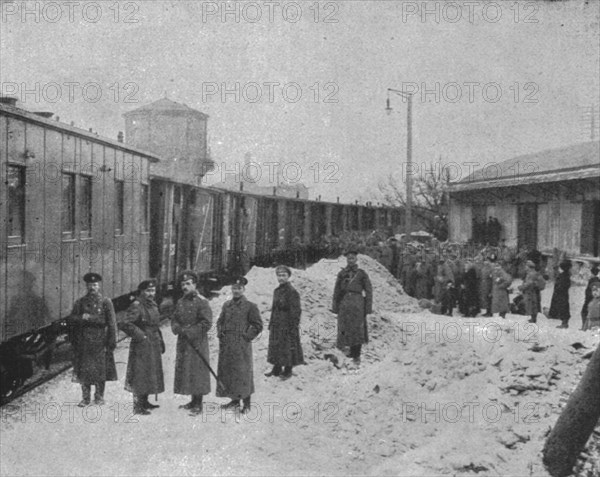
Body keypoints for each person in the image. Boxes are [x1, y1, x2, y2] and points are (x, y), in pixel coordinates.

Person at [67, 272, 117, 407]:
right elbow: (71, 319)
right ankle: (85, 398)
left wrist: (112, 342)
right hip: (84, 342)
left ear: (99, 286)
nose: (92, 287)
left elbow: (111, 323)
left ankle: (99, 397)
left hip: (100, 341)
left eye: (94, 285)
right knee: (85, 370)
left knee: (101, 370)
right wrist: (81, 318)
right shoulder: (80, 302)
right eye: (90, 285)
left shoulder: (106, 302)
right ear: (87, 286)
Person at [217, 277, 263, 413]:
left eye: (239, 288)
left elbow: (257, 325)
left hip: (242, 346)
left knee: (243, 373)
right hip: (227, 345)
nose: (236, 291)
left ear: (244, 289)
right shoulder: (226, 305)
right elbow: (220, 321)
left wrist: (247, 337)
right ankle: (234, 401)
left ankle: (247, 404)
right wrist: (221, 333)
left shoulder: (250, 306)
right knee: (230, 372)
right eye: (234, 288)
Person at [119, 279, 165, 415]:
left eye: (153, 290)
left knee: (150, 372)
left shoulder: (153, 305)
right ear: (142, 292)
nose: (151, 293)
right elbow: (125, 323)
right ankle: (137, 406)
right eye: (148, 291)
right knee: (140, 373)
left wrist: (160, 341)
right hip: (142, 344)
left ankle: (145, 401)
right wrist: (141, 336)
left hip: (153, 342)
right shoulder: (137, 305)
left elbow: (156, 325)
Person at [171, 270, 213, 414]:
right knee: (187, 370)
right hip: (184, 342)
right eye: (183, 284)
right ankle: (192, 401)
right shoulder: (180, 301)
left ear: (195, 285)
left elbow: (206, 323)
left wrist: (190, 332)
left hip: (197, 342)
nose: (185, 287)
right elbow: (174, 318)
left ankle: (198, 404)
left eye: (188, 284)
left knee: (197, 371)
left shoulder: (202, 301)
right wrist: (176, 328)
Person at [332, 250, 373, 366]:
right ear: (346, 259)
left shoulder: (361, 274)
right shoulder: (342, 273)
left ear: (356, 259)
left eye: (352, 258)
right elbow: (337, 290)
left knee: (357, 327)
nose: (350, 260)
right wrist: (335, 306)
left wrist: (368, 307)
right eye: (348, 258)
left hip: (357, 303)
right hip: (344, 302)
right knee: (345, 326)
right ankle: (348, 350)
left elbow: (369, 290)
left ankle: (356, 354)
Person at [266, 266, 305, 380]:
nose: (281, 278)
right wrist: (271, 323)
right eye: (279, 275)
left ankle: (288, 370)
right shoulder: (277, 291)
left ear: (288, 276)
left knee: (287, 346)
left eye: (284, 275)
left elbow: (296, 311)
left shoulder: (292, 292)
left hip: (287, 323)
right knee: (276, 345)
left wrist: (293, 326)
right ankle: (276, 368)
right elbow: (274, 308)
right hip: (277, 322)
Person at [548, 260, 572, 329]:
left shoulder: (563, 276)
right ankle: (564, 322)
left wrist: (557, 290)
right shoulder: (566, 275)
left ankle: (564, 323)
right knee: (563, 307)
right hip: (563, 294)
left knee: (563, 308)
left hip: (560, 294)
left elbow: (561, 286)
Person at [581, 265, 600, 331]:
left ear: (592, 273)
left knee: (584, 312)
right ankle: (586, 327)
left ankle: (584, 327)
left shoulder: (592, 280)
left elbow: (592, 291)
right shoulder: (597, 280)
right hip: (594, 299)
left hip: (590, 299)